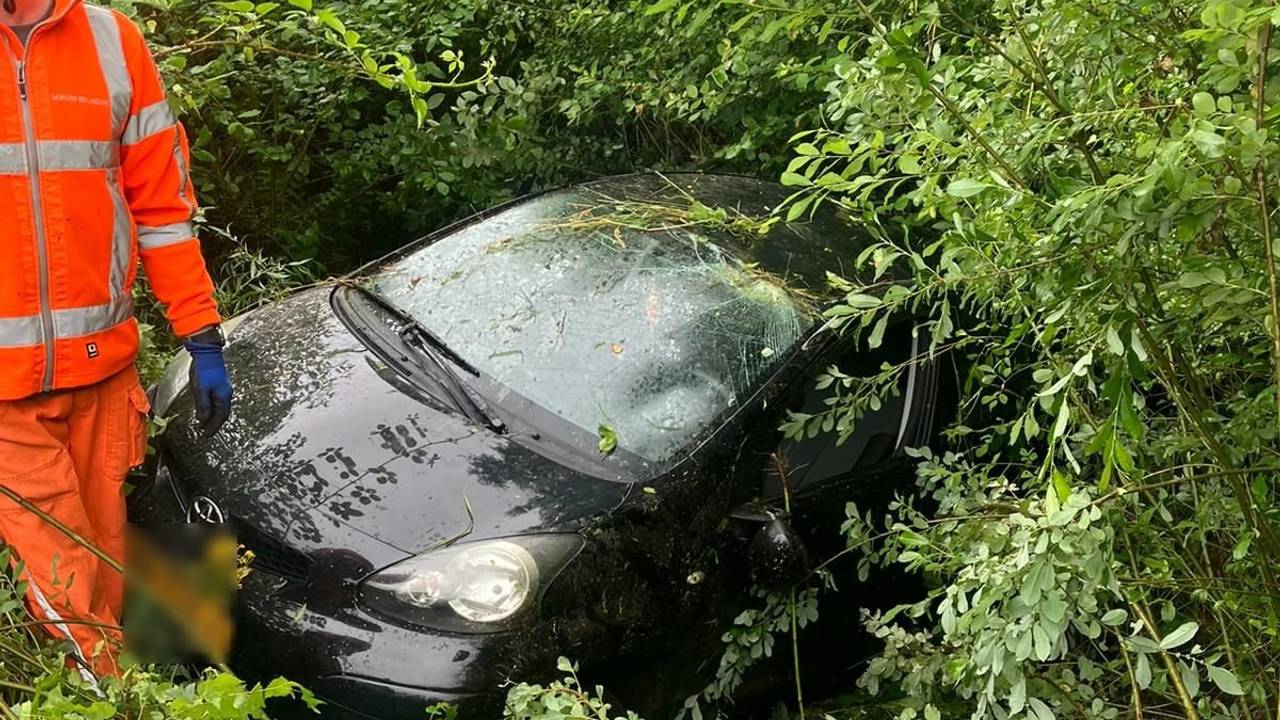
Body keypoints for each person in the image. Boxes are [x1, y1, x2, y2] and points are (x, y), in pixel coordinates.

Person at [0, 0, 232, 679]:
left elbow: (161, 209)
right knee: (64, 577)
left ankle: (113, 680)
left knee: (103, 561)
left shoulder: (112, 40)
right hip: (4, 397)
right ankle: (119, 697)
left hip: (102, 374)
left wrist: (201, 333)